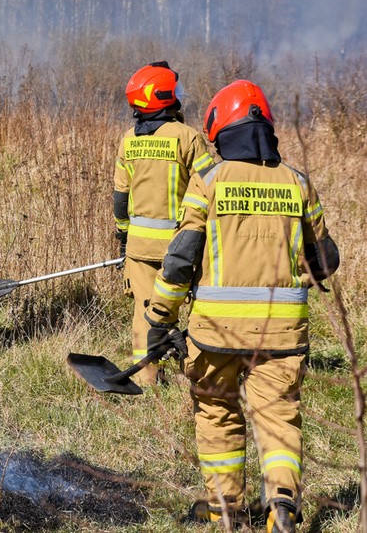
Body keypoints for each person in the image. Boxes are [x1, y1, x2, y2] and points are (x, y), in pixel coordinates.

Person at [144, 80, 340, 532]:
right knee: (278, 419)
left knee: (217, 415)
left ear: (220, 130)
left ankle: (225, 511)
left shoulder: (209, 182)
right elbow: (325, 260)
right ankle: (282, 507)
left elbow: (179, 261)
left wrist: (160, 319)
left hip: (215, 334)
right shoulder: (298, 183)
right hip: (283, 334)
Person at [114, 61, 214, 384]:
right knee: (194, 306)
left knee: (146, 312)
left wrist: (122, 236)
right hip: (182, 247)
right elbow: (211, 185)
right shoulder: (188, 138)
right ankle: (200, 371)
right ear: (162, 96)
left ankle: (146, 378)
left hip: (140, 247)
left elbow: (120, 198)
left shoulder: (128, 140)